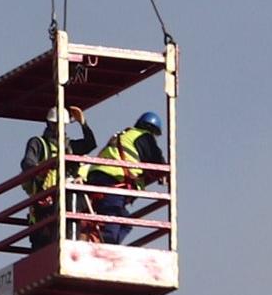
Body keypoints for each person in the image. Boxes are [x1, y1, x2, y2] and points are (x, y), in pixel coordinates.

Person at [20, 106, 97, 249]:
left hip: (65, 197)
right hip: (45, 200)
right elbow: (27, 163)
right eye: (56, 124)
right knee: (42, 243)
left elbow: (90, 144)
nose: (59, 128)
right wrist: (42, 169)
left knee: (69, 218)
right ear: (49, 124)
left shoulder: (70, 146)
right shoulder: (39, 143)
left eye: (62, 125)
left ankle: (70, 246)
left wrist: (83, 123)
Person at [85, 111, 167, 245]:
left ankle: (95, 238)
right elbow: (156, 159)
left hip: (97, 176)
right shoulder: (143, 136)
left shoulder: (124, 135)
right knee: (113, 222)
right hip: (113, 179)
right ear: (152, 130)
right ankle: (103, 244)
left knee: (125, 223)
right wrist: (163, 173)